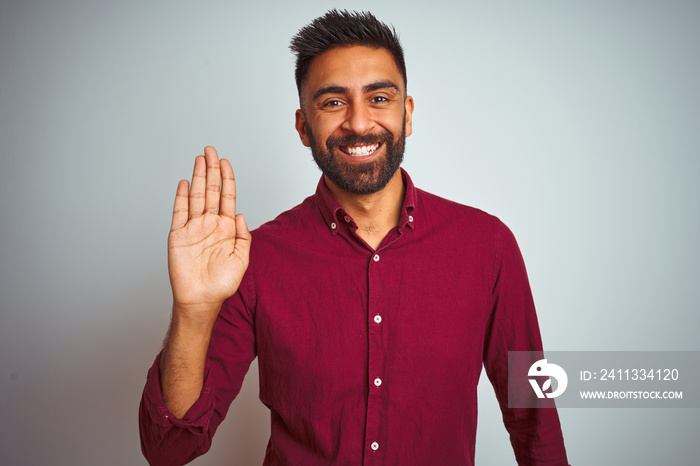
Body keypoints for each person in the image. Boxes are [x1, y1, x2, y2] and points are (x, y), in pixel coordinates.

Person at [139, 9, 570, 466]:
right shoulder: (254, 259)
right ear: (305, 126)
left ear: (406, 114)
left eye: (379, 98)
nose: (360, 123)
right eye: (332, 102)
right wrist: (193, 312)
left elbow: (535, 417)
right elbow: (170, 448)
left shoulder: (489, 246)